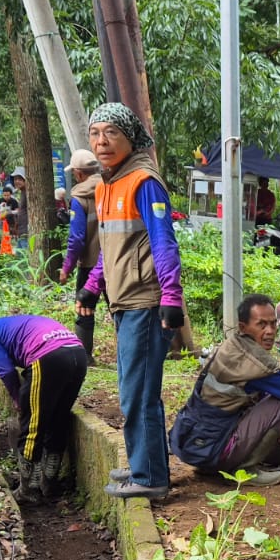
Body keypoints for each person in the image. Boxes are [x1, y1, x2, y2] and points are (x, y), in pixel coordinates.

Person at [77, 103, 185, 500]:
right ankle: (145, 467)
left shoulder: (143, 181)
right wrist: (92, 284)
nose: (102, 142)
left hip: (145, 300)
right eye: (95, 134)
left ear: (130, 137)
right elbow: (112, 247)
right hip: (123, 301)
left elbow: (163, 243)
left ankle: (151, 477)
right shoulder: (107, 183)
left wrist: (171, 296)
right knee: (135, 389)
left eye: (111, 133)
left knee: (137, 392)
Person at [169, 293, 280, 486]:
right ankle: (245, 470)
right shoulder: (258, 362)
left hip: (194, 444)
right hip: (214, 449)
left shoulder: (232, 346)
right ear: (243, 327)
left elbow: (252, 390)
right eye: (261, 324)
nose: (270, 331)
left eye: (273, 323)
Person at [0, 314, 90, 504]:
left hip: (48, 356)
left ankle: (28, 488)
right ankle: (49, 482)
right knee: (58, 419)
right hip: (78, 354)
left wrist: (17, 397)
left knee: (32, 424)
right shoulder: (10, 323)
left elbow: (5, 369)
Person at [59, 149, 104, 356]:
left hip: (89, 264)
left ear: (78, 173)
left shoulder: (79, 196)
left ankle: (84, 356)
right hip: (114, 260)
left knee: (84, 307)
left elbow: (77, 238)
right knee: (120, 308)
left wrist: (67, 268)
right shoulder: (110, 186)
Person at [8, 167, 30, 250]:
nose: (17, 181)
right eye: (15, 179)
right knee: (19, 258)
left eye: (20, 179)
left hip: (26, 232)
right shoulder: (22, 192)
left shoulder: (28, 193)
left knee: (25, 256)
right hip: (21, 232)